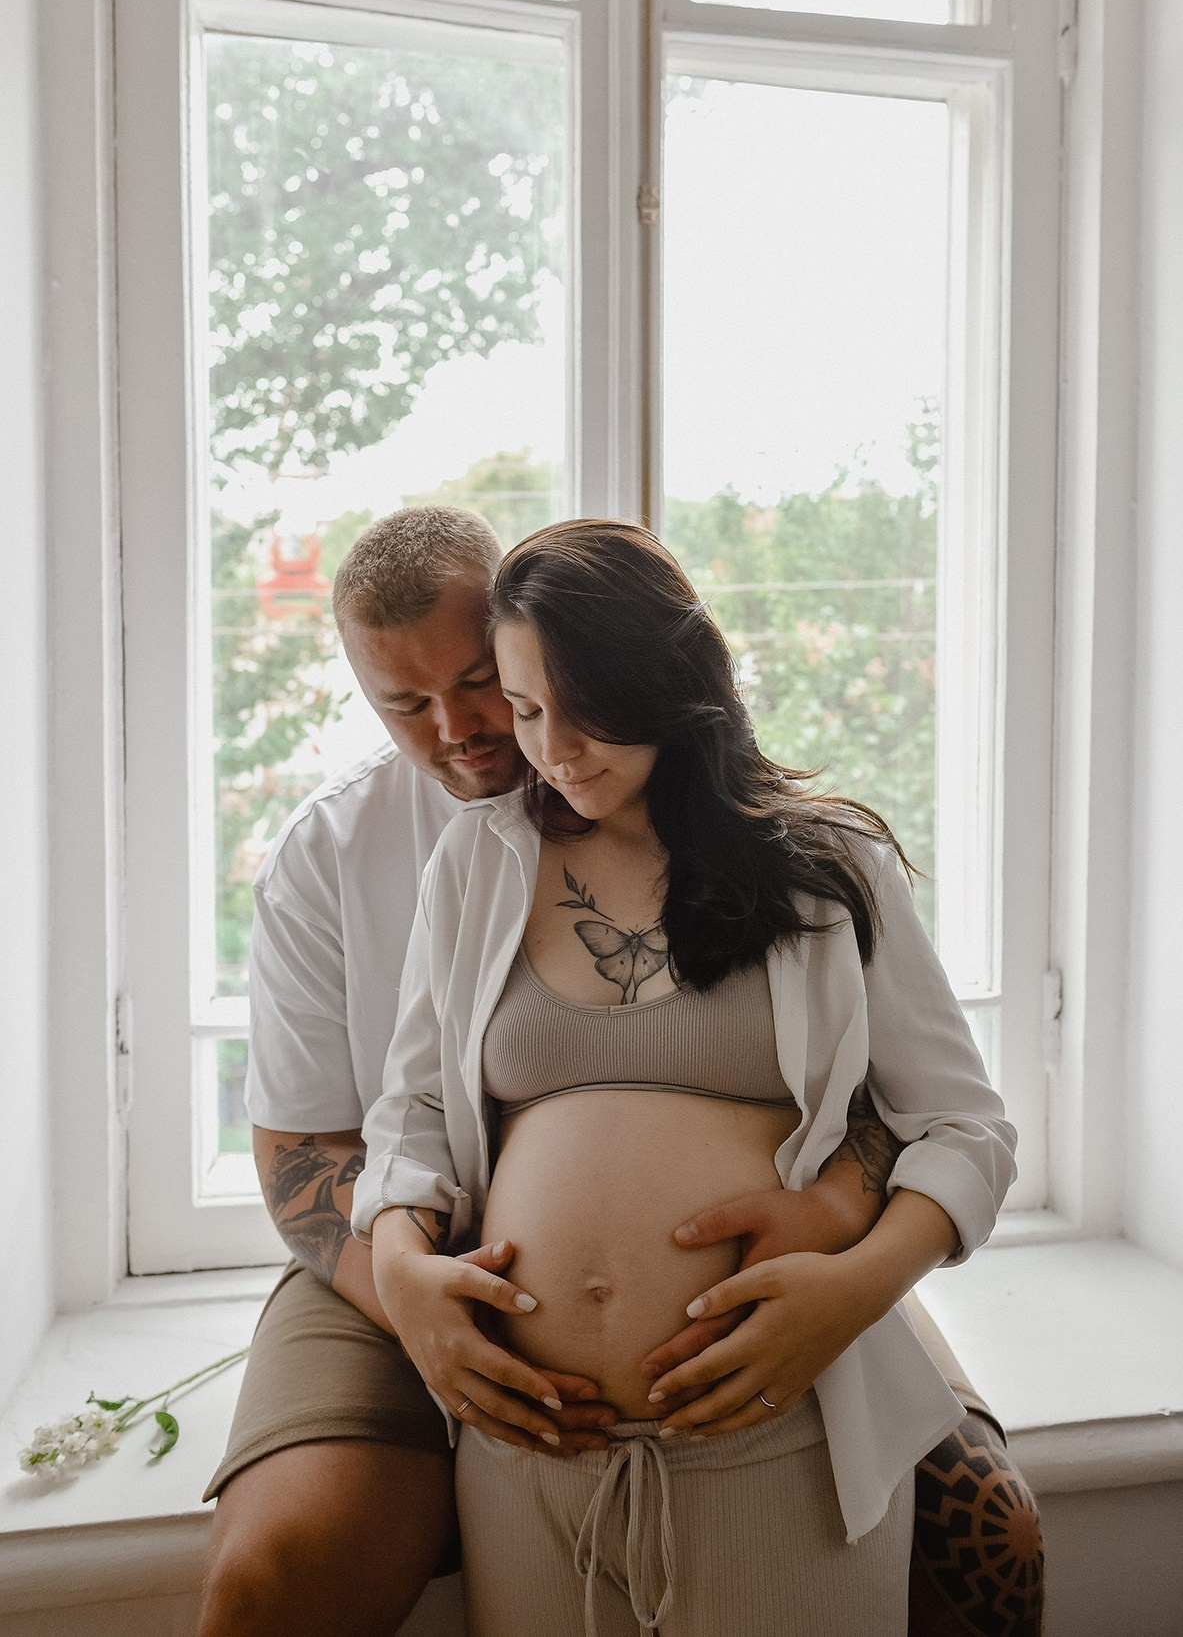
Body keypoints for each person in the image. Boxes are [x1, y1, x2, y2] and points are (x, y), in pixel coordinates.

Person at [198, 507, 1043, 1637]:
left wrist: (854, 1277)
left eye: (499, 691)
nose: (531, 743)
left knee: (986, 1530)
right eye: (520, 709)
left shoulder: (825, 862)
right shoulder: (459, 855)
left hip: (773, 1399)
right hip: (533, 1439)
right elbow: (408, 1113)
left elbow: (955, 1123)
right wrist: (401, 1273)